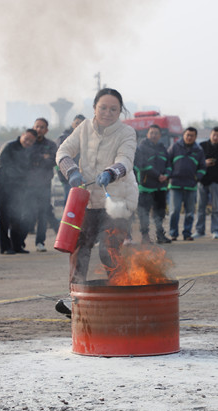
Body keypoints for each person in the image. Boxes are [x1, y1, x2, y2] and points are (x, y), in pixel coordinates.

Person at [56, 87, 138, 295]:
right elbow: (63, 151)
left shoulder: (127, 133)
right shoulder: (83, 128)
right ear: (94, 108)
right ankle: (76, 297)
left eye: (113, 109)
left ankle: (119, 296)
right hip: (88, 199)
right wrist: (72, 171)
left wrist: (111, 173)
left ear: (120, 111)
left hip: (118, 200)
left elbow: (125, 160)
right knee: (79, 248)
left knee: (108, 250)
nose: (107, 113)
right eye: (103, 108)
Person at [0, 129, 38, 254]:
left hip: (22, 189)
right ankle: (4, 247)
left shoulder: (30, 152)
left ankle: (17, 245)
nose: (28, 142)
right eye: (27, 139)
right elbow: (4, 165)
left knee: (18, 218)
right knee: (4, 218)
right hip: (6, 187)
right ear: (22, 135)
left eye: (31, 141)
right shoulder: (9, 147)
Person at [134, 124, 171, 244]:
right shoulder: (142, 147)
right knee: (143, 213)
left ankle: (160, 235)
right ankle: (145, 237)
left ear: (160, 135)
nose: (154, 135)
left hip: (160, 187)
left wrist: (166, 174)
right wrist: (157, 175)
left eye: (156, 133)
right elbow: (143, 165)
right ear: (147, 134)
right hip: (146, 186)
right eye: (151, 133)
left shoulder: (163, 148)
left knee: (160, 212)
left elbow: (169, 164)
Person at [167, 127, 206, 241]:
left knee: (189, 212)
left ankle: (187, 233)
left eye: (192, 135)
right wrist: (169, 174)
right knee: (174, 211)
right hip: (175, 184)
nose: (189, 137)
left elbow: (203, 167)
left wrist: (197, 177)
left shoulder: (199, 150)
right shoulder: (175, 147)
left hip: (191, 185)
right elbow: (167, 162)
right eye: (187, 135)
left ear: (195, 137)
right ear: (183, 135)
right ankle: (173, 233)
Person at [195, 127, 218, 239]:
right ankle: (199, 231)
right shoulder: (201, 146)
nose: (215, 137)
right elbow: (195, 161)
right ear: (210, 135)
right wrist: (204, 163)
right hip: (202, 181)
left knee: (216, 208)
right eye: (213, 135)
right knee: (200, 207)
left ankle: (215, 230)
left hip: (216, 183)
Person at [31, 118, 58, 252]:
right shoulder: (28, 142)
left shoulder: (51, 145)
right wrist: (42, 158)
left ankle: (40, 242)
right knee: (26, 213)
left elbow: (53, 161)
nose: (39, 129)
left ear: (46, 130)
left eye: (42, 127)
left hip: (44, 184)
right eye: (37, 126)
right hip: (27, 185)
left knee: (43, 213)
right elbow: (27, 159)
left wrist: (38, 160)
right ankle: (18, 242)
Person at [56, 114, 86, 204]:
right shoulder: (64, 138)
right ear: (72, 123)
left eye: (81, 124)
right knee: (70, 201)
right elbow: (60, 155)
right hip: (68, 177)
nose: (78, 126)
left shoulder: (87, 138)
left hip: (83, 176)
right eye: (77, 123)